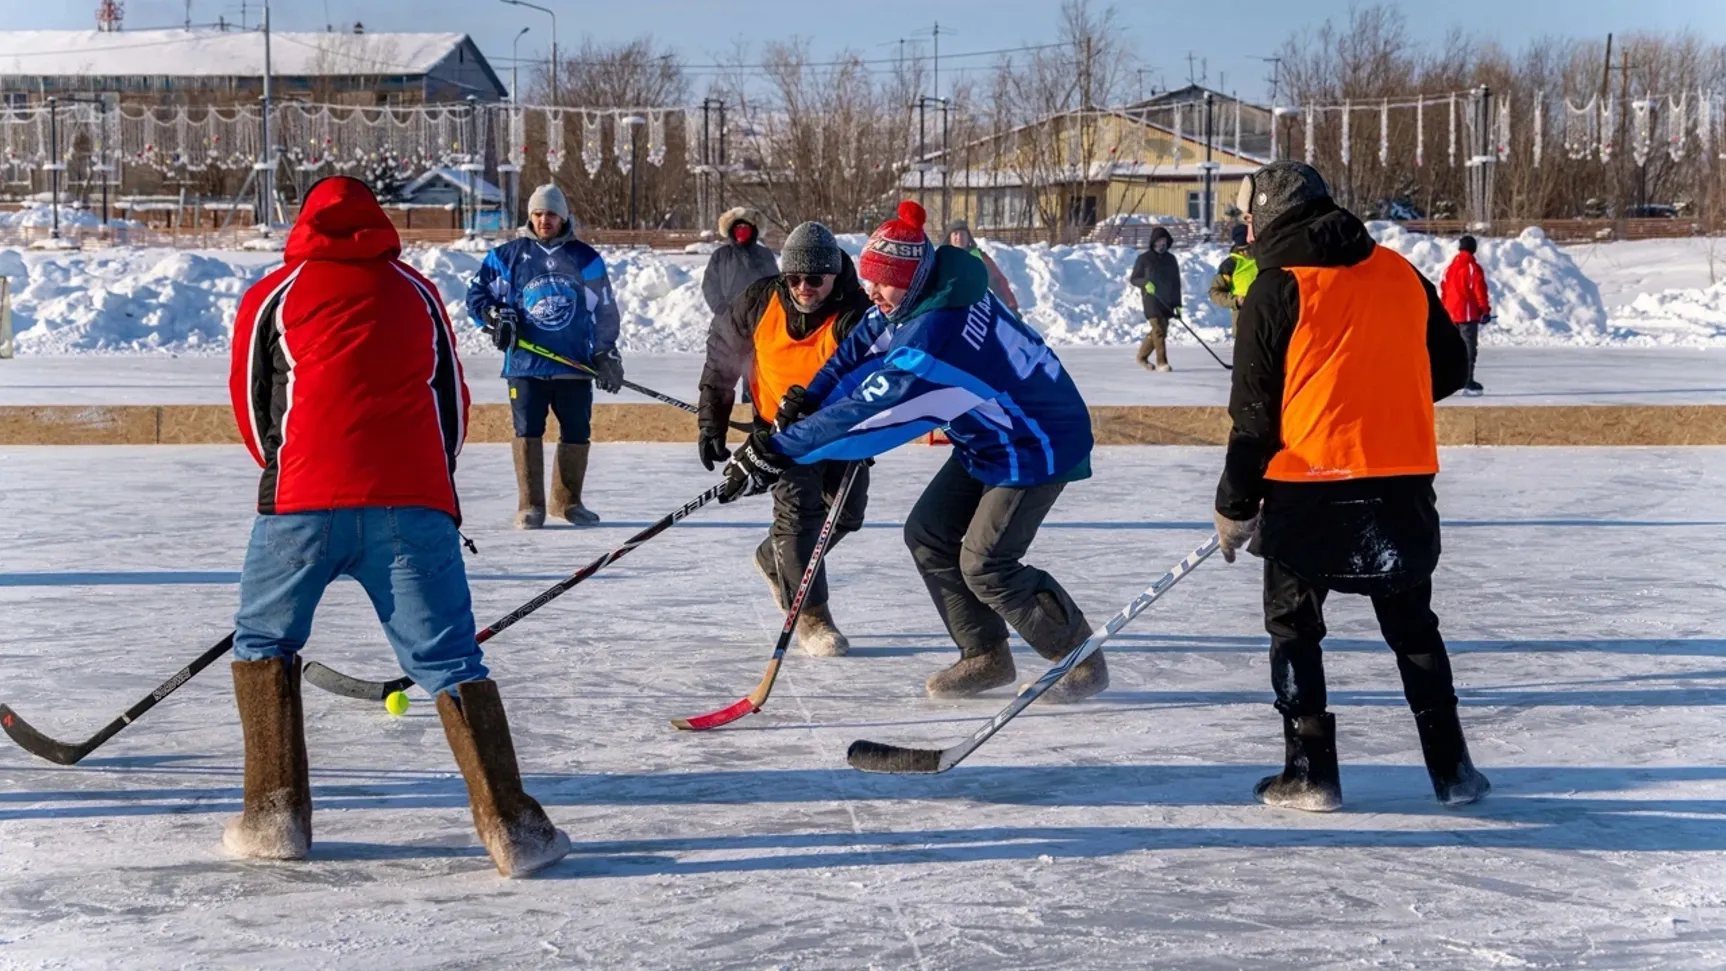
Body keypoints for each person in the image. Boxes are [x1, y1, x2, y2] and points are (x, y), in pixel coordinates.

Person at [226, 176, 569, 877]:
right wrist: (432, 486)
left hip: (302, 503)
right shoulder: (415, 291)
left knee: (264, 640)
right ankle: (514, 830)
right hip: (411, 504)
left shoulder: (275, 294)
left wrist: (284, 468)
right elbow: (452, 402)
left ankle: (273, 818)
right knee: (449, 660)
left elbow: (250, 400)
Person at [717, 201, 1107, 703]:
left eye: (883, 283)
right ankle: (985, 654)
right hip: (988, 437)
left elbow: (871, 415)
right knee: (928, 533)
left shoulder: (937, 335)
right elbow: (857, 351)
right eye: (870, 279)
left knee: (986, 564)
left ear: (913, 275)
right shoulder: (920, 291)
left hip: (1037, 443)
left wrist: (779, 450)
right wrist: (807, 401)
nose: (871, 292)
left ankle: (1080, 661)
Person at [1212, 160, 1488, 813]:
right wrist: (1378, 395)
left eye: (1251, 216)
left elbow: (1253, 416)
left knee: (1294, 628)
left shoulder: (1275, 287)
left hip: (1308, 483)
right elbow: (1449, 365)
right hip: (1399, 479)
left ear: (1270, 216)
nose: (1246, 227)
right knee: (1414, 627)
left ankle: (1309, 773)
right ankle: (1453, 770)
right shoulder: (1398, 272)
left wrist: (1233, 503)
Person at [696, 222, 874, 656]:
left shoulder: (857, 311)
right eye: (794, 278)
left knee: (846, 515)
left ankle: (773, 555)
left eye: (814, 278)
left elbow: (869, 377)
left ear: (833, 274)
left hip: (839, 430)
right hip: (779, 433)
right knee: (798, 521)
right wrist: (711, 423)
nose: (803, 287)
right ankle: (814, 619)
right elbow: (723, 357)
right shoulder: (760, 300)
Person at [466, 184, 624, 529]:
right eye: (537, 213)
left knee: (577, 431)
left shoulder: (586, 258)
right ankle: (530, 505)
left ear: (563, 216)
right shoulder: (508, 256)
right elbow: (476, 295)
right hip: (526, 365)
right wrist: (494, 317)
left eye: (550, 213)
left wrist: (606, 351)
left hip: (574, 364)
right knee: (528, 430)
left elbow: (605, 309)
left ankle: (567, 503)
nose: (543, 220)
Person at [702, 206, 780, 316]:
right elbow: (710, 283)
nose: (742, 230)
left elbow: (775, 283)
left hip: (759, 314)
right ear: (731, 230)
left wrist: (768, 307)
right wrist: (719, 306)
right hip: (728, 315)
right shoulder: (720, 255)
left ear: (753, 229)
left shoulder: (764, 254)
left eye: (745, 226)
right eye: (738, 227)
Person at [1440, 234, 1491, 396]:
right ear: (1473, 249)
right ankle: (1467, 381)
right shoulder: (1472, 268)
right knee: (1468, 349)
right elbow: (1479, 291)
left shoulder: (1449, 268)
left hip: (1450, 314)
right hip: (1466, 315)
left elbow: (1444, 289)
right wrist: (1484, 310)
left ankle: (1446, 382)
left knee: (1450, 349)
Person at [1128, 226, 1182, 371]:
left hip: (1167, 300)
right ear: (1153, 242)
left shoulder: (1171, 259)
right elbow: (1134, 279)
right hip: (1151, 299)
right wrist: (1145, 283)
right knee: (1158, 329)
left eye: (1164, 241)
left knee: (1160, 331)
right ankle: (1161, 362)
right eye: (1158, 241)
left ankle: (1141, 357)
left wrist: (1177, 304)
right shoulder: (1144, 259)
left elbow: (1176, 283)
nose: (1161, 244)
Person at [946, 219, 1019, 312]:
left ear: (968, 237)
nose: (959, 237)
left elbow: (998, 282)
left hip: (976, 314)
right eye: (955, 233)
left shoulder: (979, 257)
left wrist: (1011, 307)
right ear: (949, 238)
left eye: (963, 234)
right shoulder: (940, 259)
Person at [1208, 222, 1257, 339]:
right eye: (1242, 249)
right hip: (1242, 316)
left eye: (1248, 248)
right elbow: (1214, 293)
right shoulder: (1230, 265)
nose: (1246, 252)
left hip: (1266, 313)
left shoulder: (1264, 259)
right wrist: (1236, 301)